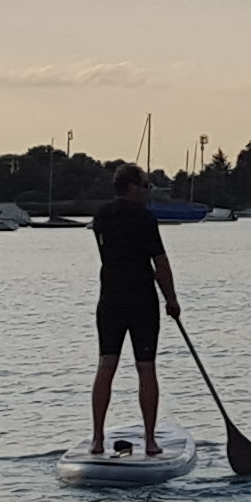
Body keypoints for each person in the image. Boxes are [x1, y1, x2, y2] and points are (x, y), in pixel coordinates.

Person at [87, 166, 183, 452]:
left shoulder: (101, 216)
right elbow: (160, 264)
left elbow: (116, 252)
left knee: (106, 365)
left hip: (110, 300)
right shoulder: (145, 218)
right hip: (141, 301)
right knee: (146, 368)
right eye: (145, 185)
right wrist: (172, 300)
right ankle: (151, 441)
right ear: (131, 187)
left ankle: (97, 439)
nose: (148, 190)